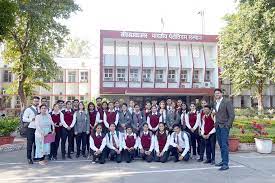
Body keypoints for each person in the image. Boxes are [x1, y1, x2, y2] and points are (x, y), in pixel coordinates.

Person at [213, 88, 235, 171]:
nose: (217, 95)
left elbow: (232, 115)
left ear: (221, 94)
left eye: (218, 93)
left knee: (224, 145)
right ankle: (223, 160)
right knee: (221, 145)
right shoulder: (215, 103)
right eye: (215, 94)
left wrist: (227, 125)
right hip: (218, 126)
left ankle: (226, 164)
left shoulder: (227, 101)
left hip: (224, 127)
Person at [23, 96, 40, 164]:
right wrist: (31, 119)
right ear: (32, 102)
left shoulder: (39, 109)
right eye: (35, 101)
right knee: (30, 144)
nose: (36, 102)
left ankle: (35, 157)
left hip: (38, 129)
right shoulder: (28, 109)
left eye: (37, 101)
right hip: (30, 129)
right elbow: (24, 118)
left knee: (37, 144)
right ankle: (29, 158)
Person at [198, 98, 208, 162]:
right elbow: (199, 121)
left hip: (207, 129)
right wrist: (199, 129)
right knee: (201, 144)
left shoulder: (209, 110)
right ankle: (201, 157)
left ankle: (208, 158)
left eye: (204, 103)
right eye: (202, 103)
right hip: (202, 129)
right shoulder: (200, 111)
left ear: (206, 104)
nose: (203, 104)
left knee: (207, 145)